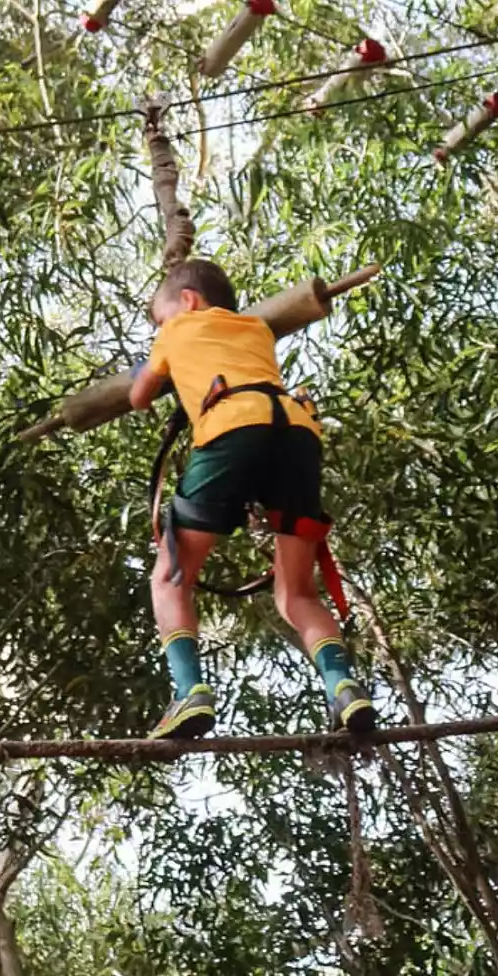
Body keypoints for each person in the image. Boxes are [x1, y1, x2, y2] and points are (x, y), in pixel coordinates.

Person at [128, 259, 376, 739]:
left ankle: (190, 693)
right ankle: (343, 684)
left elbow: (139, 396)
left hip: (233, 426)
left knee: (170, 577)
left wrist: (149, 365)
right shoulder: (255, 327)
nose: (163, 327)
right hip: (296, 430)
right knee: (297, 592)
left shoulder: (178, 330)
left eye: (162, 318)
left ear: (188, 301)